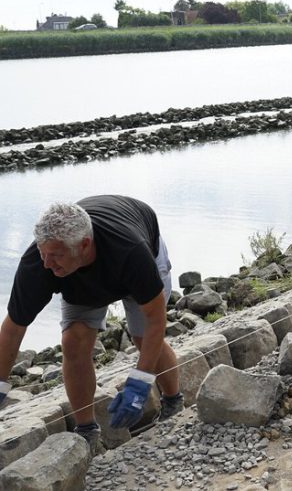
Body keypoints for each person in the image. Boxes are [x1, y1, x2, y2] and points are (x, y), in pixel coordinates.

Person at [0, 195, 184, 454]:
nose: (46, 263)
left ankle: (173, 401)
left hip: (136, 255)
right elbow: (13, 328)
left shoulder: (131, 251)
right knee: (73, 342)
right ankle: (87, 431)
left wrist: (140, 381)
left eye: (55, 255)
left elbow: (155, 320)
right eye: (43, 253)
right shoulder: (40, 264)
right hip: (78, 282)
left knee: (142, 338)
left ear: (84, 245)